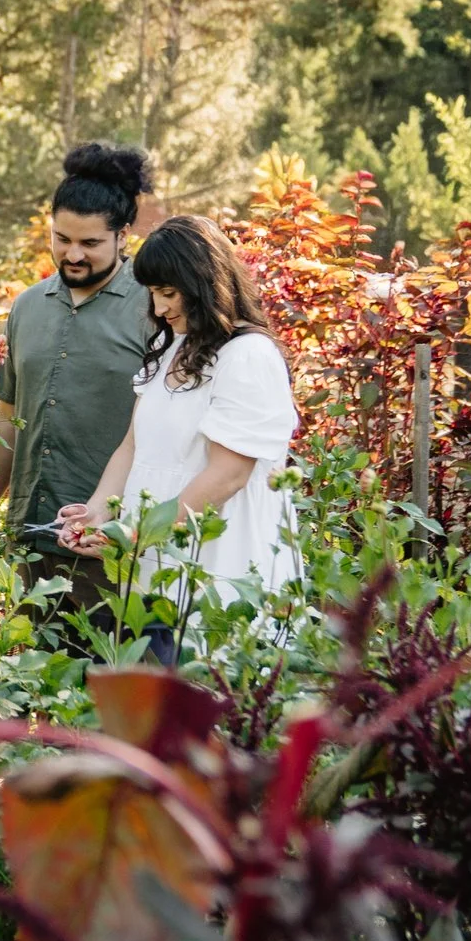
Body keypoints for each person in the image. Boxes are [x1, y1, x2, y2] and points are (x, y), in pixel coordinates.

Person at [0, 143, 163, 651]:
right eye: (61, 239)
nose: (73, 254)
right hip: (33, 542)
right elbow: (7, 423)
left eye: (90, 242)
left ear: (123, 236)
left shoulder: (154, 310)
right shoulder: (27, 308)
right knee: (35, 700)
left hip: (115, 548)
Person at [56, 215, 302, 631]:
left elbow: (228, 476)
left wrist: (134, 533)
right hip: (154, 559)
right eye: (153, 293)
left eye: (169, 293)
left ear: (206, 284)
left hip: (218, 564)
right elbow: (133, 447)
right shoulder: (168, 347)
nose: (159, 307)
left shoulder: (249, 355)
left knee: (212, 681)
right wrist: (97, 514)